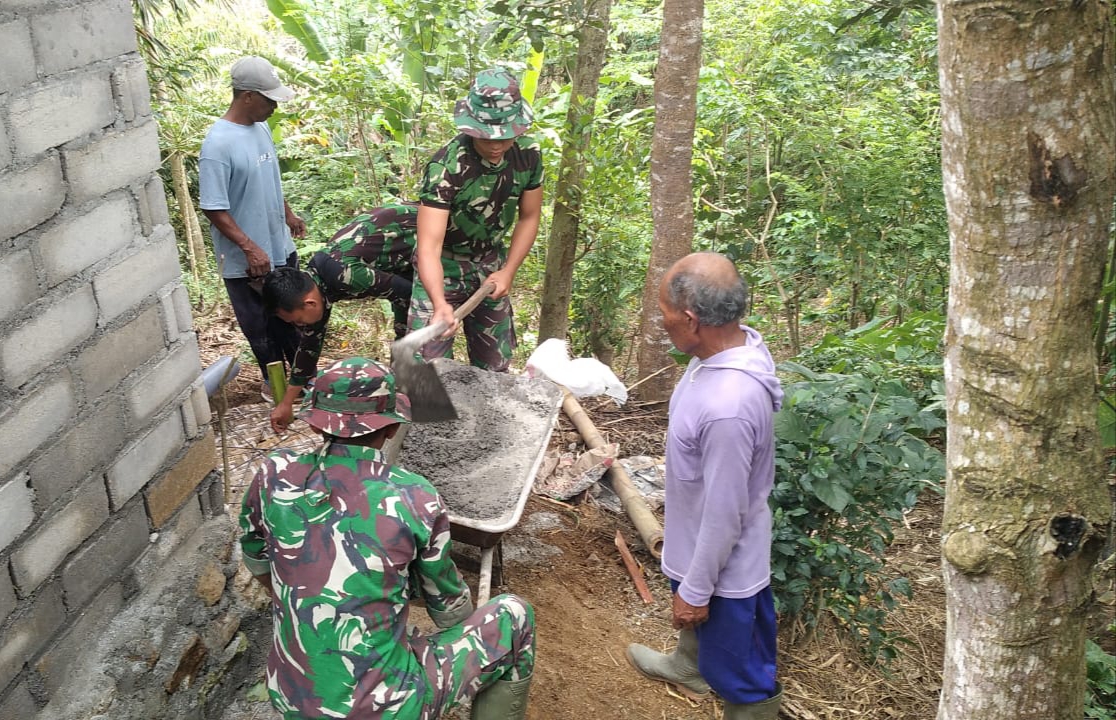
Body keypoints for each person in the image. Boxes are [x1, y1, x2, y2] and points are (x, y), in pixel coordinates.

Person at [239, 357, 536, 720]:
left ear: (317, 425)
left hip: (292, 695)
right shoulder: (413, 496)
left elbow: (256, 557)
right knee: (515, 615)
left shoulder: (272, 473)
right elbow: (448, 610)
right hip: (385, 709)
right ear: (393, 428)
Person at [626, 252, 784, 720]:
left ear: (691, 320)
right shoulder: (720, 353)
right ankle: (688, 663)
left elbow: (726, 511)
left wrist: (696, 589)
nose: (662, 321)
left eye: (666, 313)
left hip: (726, 568)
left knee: (743, 673)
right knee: (705, 632)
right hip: (697, 538)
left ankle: (748, 706)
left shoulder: (729, 406)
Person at [410, 68, 544, 372]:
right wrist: (439, 302)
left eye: (505, 136)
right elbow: (429, 247)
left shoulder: (529, 154)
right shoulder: (447, 165)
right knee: (426, 365)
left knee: (495, 365)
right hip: (443, 265)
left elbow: (529, 216)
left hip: (489, 264)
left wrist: (508, 271)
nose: (497, 145)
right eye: (487, 138)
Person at [199, 55, 305, 397]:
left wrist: (287, 214)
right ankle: (275, 391)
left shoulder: (260, 129)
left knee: (293, 317)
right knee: (261, 329)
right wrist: (249, 247)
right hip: (249, 263)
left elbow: (269, 179)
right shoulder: (217, 145)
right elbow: (214, 208)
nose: (274, 106)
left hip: (280, 248)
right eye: (269, 99)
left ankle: (304, 385)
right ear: (246, 96)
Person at [260, 203, 418, 433]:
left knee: (417, 337)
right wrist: (286, 404)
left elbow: (413, 295)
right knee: (406, 342)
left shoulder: (346, 276)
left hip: (436, 233)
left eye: (298, 321)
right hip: (404, 262)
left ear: (309, 304)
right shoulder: (315, 283)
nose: (299, 327)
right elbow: (308, 349)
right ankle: (406, 403)